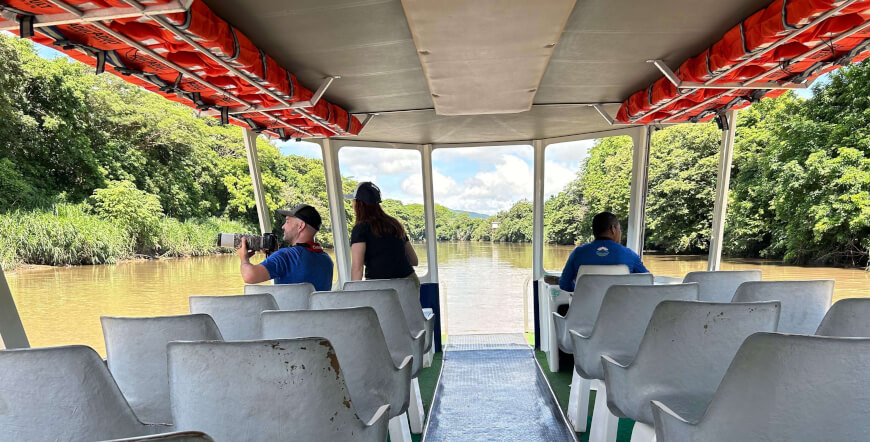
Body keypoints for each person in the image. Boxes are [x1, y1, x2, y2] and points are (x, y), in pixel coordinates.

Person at [237, 204, 333, 291]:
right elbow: (296, 268)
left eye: (287, 222)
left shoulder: (285, 256)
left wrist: (244, 258)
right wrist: (273, 255)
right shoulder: (327, 260)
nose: (283, 227)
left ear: (300, 226)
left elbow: (249, 276)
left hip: (288, 310)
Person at [347, 182, 419, 287]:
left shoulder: (360, 228)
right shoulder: (395, 224)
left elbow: (358, 269)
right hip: (409, 284)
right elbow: (414, 261)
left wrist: (352, 295)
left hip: (380, 286)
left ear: (359, 204)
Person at [555, 211, 648, 291]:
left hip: (585, 310)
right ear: (613, 229)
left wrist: (581, 289)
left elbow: (564, 284)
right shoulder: (630, 255)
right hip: (619, 310)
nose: (620, 232)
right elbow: (646, 281)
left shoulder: (577, 253)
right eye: (619, 229)